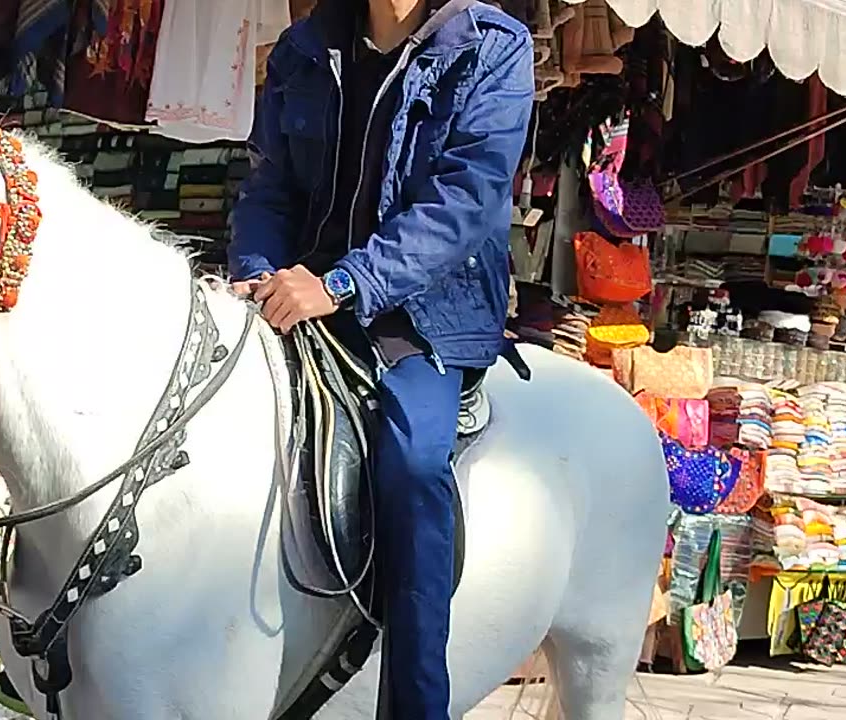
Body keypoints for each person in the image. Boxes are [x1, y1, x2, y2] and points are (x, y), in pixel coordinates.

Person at [228, 1, 533, 717]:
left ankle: (415, 700)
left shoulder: (492, 47)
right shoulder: (303, 48)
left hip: (420, 313)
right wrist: (255, 267)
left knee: (412, 464)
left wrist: (339, 284)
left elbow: (466, 201)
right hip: (296, 292)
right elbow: (269, 183)